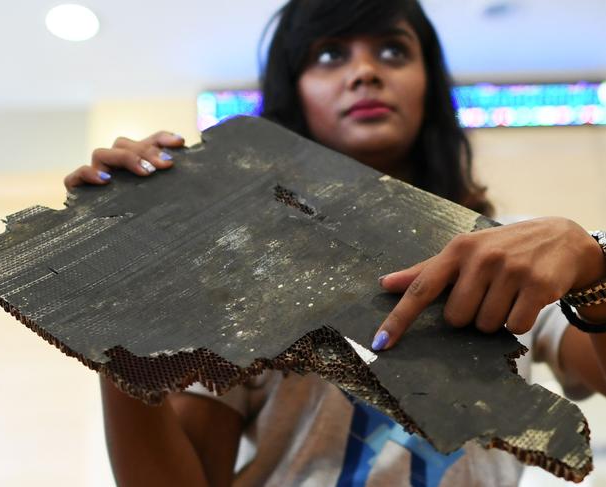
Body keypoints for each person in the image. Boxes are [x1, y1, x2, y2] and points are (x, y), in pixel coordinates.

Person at [64, 1, 606, 485]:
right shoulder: (235, 272)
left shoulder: (509, 253)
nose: (365, 72)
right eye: (328, 56)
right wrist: (118, 299)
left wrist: (594, 267)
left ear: (429, 87)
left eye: (393, 51)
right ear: (293, 94)